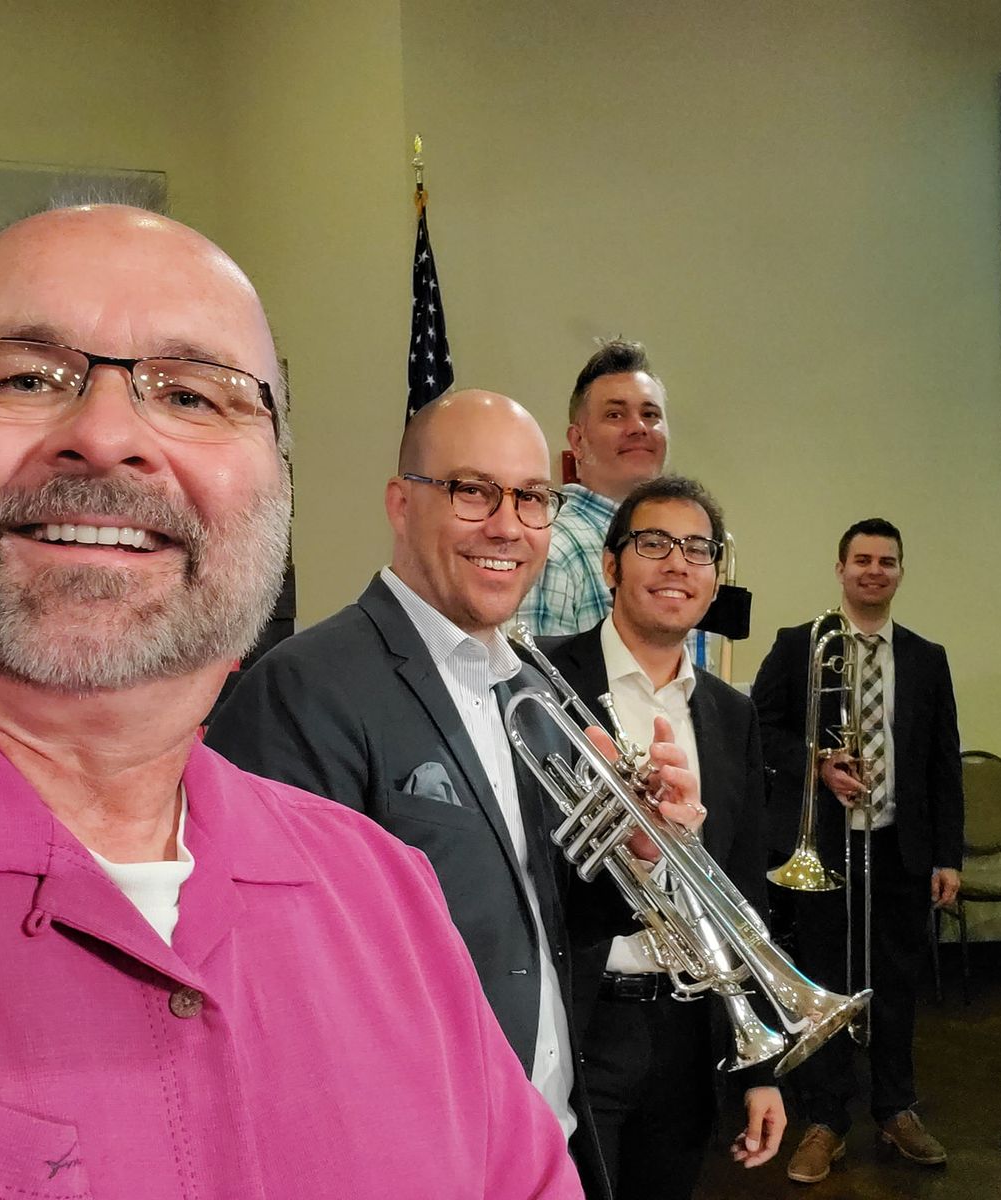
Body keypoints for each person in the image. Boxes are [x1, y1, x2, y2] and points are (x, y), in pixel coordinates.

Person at [0, 204, 577, 1199]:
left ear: (278, 495)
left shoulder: (390, 895)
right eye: (23, 378)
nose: (106, 437)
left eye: (192, 395)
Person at [204, 391, 703, 1198]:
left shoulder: (531, 684)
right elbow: (275, 993)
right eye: (473, 491)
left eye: (532, 498)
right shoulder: (304, 687)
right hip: (414, 1165)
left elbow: (545, 917)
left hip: (550, 1144)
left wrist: (636, 854)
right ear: (402, 504)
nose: (508, 525)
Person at [539, 475, 785, 1199]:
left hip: (688, 1031)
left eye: (698, 549)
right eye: (654, 543)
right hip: (577, 1018)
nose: (678, 562)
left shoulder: (732, 715)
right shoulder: (538, 679)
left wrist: (759, 1068)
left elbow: (743, 891)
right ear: (610, 565)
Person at [751, 518, 963, 1185]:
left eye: (887, 561)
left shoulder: (927, 657)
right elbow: (761, 728)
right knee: (824, 986)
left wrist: (948, 855)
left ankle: (896, 1108)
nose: (875, 571)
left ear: (900, 572)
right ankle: (826, 1120)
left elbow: (942, 761)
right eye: (863, 560)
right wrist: (817, 764)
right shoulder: (799, 645)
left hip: (901, 846)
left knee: (897, 984)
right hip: (826, 846)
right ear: (840, 568)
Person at [514, 339, 668, 636]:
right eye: (615, 414)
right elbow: (532, 667)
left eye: (650, 414)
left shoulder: (681, 553)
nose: (639, 428)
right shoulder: (554, 551)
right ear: (577, 441)